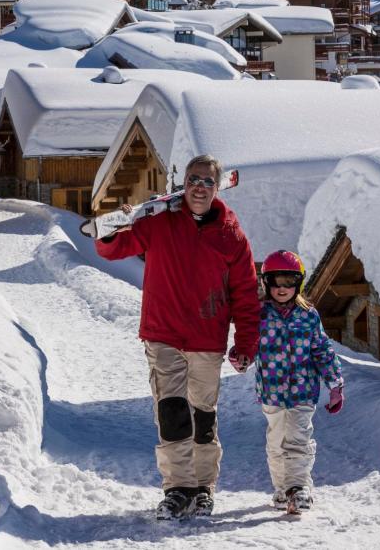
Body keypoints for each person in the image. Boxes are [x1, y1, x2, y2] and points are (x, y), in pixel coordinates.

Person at [95, 154, 260, 520]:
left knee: (202, 416)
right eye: (193, 180)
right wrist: (116, 225)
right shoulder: (159, 222)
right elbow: (112, 249)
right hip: (163, 333)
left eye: (206, 182)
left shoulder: (231, 235)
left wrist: (246, 343)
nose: (199, 188)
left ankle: (203, 487)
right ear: (182, 184)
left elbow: (246, 295)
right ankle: (178, 488)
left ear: (217, 188)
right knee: (171, 414)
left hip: (207, 338)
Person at [254, 250, 344, 512]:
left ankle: (298, 488)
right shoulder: (259, 314)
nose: (282, 289)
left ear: (299, 283)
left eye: (289, 282)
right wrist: (241, 356)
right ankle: (282, 489)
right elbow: (247, 344)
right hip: (271, 391)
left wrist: (335, 383)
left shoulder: (308, 314)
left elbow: (322, 349)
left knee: (298, 438)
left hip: (303, 390)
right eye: (276, 282)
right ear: (266, 283)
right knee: (277, 440)